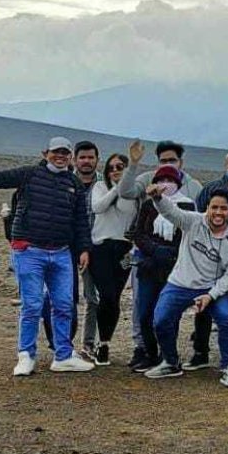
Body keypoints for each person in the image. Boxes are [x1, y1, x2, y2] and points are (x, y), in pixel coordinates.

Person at [0, 130, 94, 375]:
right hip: (30, 251)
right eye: (56, 152)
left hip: (61, 253)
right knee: (32, 305)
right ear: (45, 154)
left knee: (64, 305)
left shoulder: (74, 184)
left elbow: (80, 221)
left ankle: (63, 355)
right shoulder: (29, 174)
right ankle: (26, 355)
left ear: (70, 157)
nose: (60, 156)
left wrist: (84, 249)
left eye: (65, 153)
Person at [142, 185, 228, 387]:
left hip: (211, 288)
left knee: (226, 318)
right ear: (208, 208)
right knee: (161, 320)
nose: (218, 213)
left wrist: (211, 295)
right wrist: (157, 197)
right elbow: (172, 212)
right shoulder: (193, 221)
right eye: (214, 207)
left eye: (223, 209)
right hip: (180, 282)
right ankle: (170, 362)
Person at [119, 139, 203, 369]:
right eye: (161, 176)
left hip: (174, 268)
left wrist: (172, 253)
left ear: (181, 165)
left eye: (171, 175)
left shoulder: (188, 201)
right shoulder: (148, 203)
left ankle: (169, 355)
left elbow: (191, 230)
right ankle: (148, 352)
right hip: (147, 265)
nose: (166, 183)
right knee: (144, 311)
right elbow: (139, 232)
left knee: (167, 313)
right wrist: (156, 251)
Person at [87, 153, 137, 365]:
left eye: (120, 167)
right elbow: (98, 207)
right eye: (112, 168)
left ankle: (104, 343)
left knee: (114, 298)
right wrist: (117, 187)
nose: (115, 171)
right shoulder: (100, 187)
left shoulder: (133, 193)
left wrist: (124, 187)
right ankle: (100, 343)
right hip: (100, 248)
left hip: (123, 249)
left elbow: (126, 210)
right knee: (106, 294)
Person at [73, 140, 103, 361]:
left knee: (93, 297)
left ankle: (88, 344)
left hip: (96, 248)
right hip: (64, 247)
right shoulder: (65, 181)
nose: (86, 161)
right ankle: (62, 344)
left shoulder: (104, 184)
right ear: (75, 159)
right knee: (64, 298)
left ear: (96, 160)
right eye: (82, 157)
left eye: (90, 157)